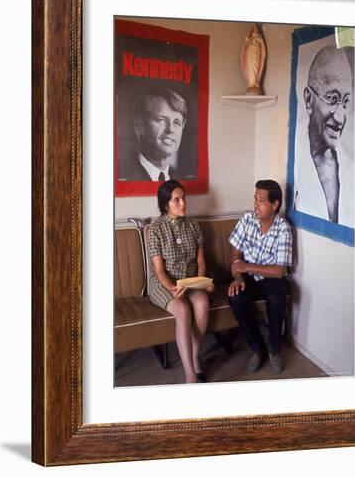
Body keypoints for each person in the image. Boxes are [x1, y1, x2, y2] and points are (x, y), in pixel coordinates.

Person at [147, 180, 214, 383]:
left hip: (190, 280)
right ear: (165, 204)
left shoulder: (193, 226)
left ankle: (194, 356)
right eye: (176, 200)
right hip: (164, 283)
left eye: (183, 198)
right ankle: (190, 374)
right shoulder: (155, 229)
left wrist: (202, 281)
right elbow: (159, 271)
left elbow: (201, 263)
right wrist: (173, 288)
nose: (183, 203)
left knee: (202, 303)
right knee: (183, 310)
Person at [228, 180, 292, 374]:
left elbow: (280, 270)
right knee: (235, 297)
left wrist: (245, 266)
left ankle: (273, 348)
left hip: (271, 277)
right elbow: (235, 254)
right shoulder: (247, 219)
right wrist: (238, 276)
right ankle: (257, 348)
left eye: (261, 200)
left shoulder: (283, 228)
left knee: (276, 297)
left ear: (275, 205)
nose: (256, 204)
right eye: (255, 199)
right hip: (247, 276)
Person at [294, 45, 354, 227]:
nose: (339, 116)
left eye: (345, 102)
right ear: (308, 100)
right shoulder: (294, 165)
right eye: (333, 99)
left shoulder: (353, 171)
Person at [123, 87, 188, 181]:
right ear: (140, 127)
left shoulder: (182, 179)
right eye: (161, 120)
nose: (170, 129)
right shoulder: (125, 176)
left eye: (176, 123)